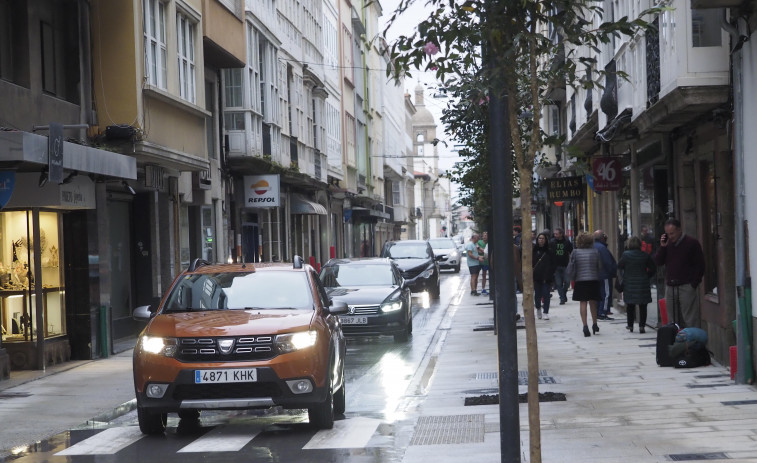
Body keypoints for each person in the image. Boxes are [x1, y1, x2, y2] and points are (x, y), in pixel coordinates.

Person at [653, 218, 705, 328]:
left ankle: (692, 342)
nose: (670, 236)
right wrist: (663, 247)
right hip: (671, 286)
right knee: (672, 319)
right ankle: (676, 341)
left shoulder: (691, 243)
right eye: (667, 234)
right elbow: (658, 261)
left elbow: (700, 264)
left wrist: (693, 283)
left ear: (679, 230)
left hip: (686, 285)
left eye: (672, 233)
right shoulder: (667, 245)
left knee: (690, 317)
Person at [618, 236, 657, 333]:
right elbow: (653, 268)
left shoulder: (625, 255)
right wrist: (647, 276)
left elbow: (619, 266)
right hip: (643, 283)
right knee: (643, 305)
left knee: (630, 305)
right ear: (640, 245)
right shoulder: (645, 255)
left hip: (629, 283)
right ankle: (642, 326)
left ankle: (630, 325)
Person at [570, 232, 603, 337]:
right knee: (593, 302)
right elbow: (600, 266)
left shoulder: (575, 252)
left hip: (580, 280)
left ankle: (585, 326)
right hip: (593, 279)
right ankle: (595, 323)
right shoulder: (595, 252)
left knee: (583, 303)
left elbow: (571, 266)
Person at [593, 230, 617, 320]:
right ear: (602, 238)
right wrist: (612, 272)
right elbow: (608, 262)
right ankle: (603, 312)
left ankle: (599, 311)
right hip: (604, 274)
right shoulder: (602, 248)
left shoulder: (593, 246)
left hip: (596, 275)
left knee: (599, 294)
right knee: (606, 294)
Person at [533, 232, 556, 320]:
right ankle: (538, 308)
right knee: (537, 295)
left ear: (545, 240)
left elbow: (553, 263)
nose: (541, 240)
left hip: (547, 277)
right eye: (539, 238)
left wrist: (551, 273)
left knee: (546, 294)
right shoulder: (534, 250)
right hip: (537, 277)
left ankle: (546, 311)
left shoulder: (549, 251)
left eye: (543, 238)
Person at [550, 227, 573, 305]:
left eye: (557, 234)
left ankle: (563, 293)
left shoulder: (567, 242)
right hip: (556, 266)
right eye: (554, 234)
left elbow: (571, 252)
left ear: (561, 234)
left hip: (565, 265)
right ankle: (562, 298)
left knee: (567, 282)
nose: (555, 235)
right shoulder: (552, 242)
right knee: (559, 283)